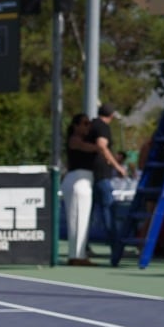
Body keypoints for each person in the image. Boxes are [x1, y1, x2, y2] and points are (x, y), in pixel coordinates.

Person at [88, 105, 130, 265]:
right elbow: (101, 145)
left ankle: (83, 247)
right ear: (111, 115)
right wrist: (117, 166)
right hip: (100, 176)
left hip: (93, 175)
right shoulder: (102, 127)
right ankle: (116, 248)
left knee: (90, 213)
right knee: (108, 211)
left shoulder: (93, 125)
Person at [63, 113, 97, 265]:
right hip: (78, 180)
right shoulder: (74, 140)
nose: (87, 127)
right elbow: (89, 148)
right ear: (75, 126)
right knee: (77, 219)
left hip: (84, 180)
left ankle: (78, 254)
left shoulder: (81, 139)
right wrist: (100, 146)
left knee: (82, 219)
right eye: (84, 124)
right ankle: (77, 255)